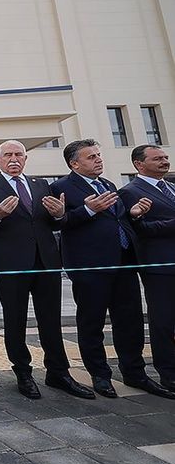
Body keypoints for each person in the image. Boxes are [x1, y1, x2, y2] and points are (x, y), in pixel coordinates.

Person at [51, 139, 173, 399]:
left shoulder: (107, 184)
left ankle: (135, 373)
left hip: (123, 262)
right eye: (91, 156)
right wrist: (88, 209)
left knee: (130, 322)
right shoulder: (60, 187)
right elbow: (61, 223)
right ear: (74, 163)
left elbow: (117, 219)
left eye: (98, 154)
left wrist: (135, 213)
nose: (98, 159)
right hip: (90, 267)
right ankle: (100, 375)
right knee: (92, 323)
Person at [0, 140, 93, 400]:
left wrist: (61, 214)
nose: (14, 158)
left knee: (51, 320)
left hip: (46, 262)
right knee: (15, 321)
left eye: (19, 154)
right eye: (8, 155)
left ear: (26, 159)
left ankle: (58, 372)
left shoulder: (42, 185)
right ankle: (23, 373)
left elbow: (52, 222)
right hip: (12, 265)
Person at [117, 144, 175, 393]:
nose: (164, 161)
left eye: (165, 157)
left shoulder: (171, 187)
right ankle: (169, 373)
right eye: (157, 159)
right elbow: (140, 230)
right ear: (139, 164)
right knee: (163, 321)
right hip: (159, 266)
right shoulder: (130, 192)